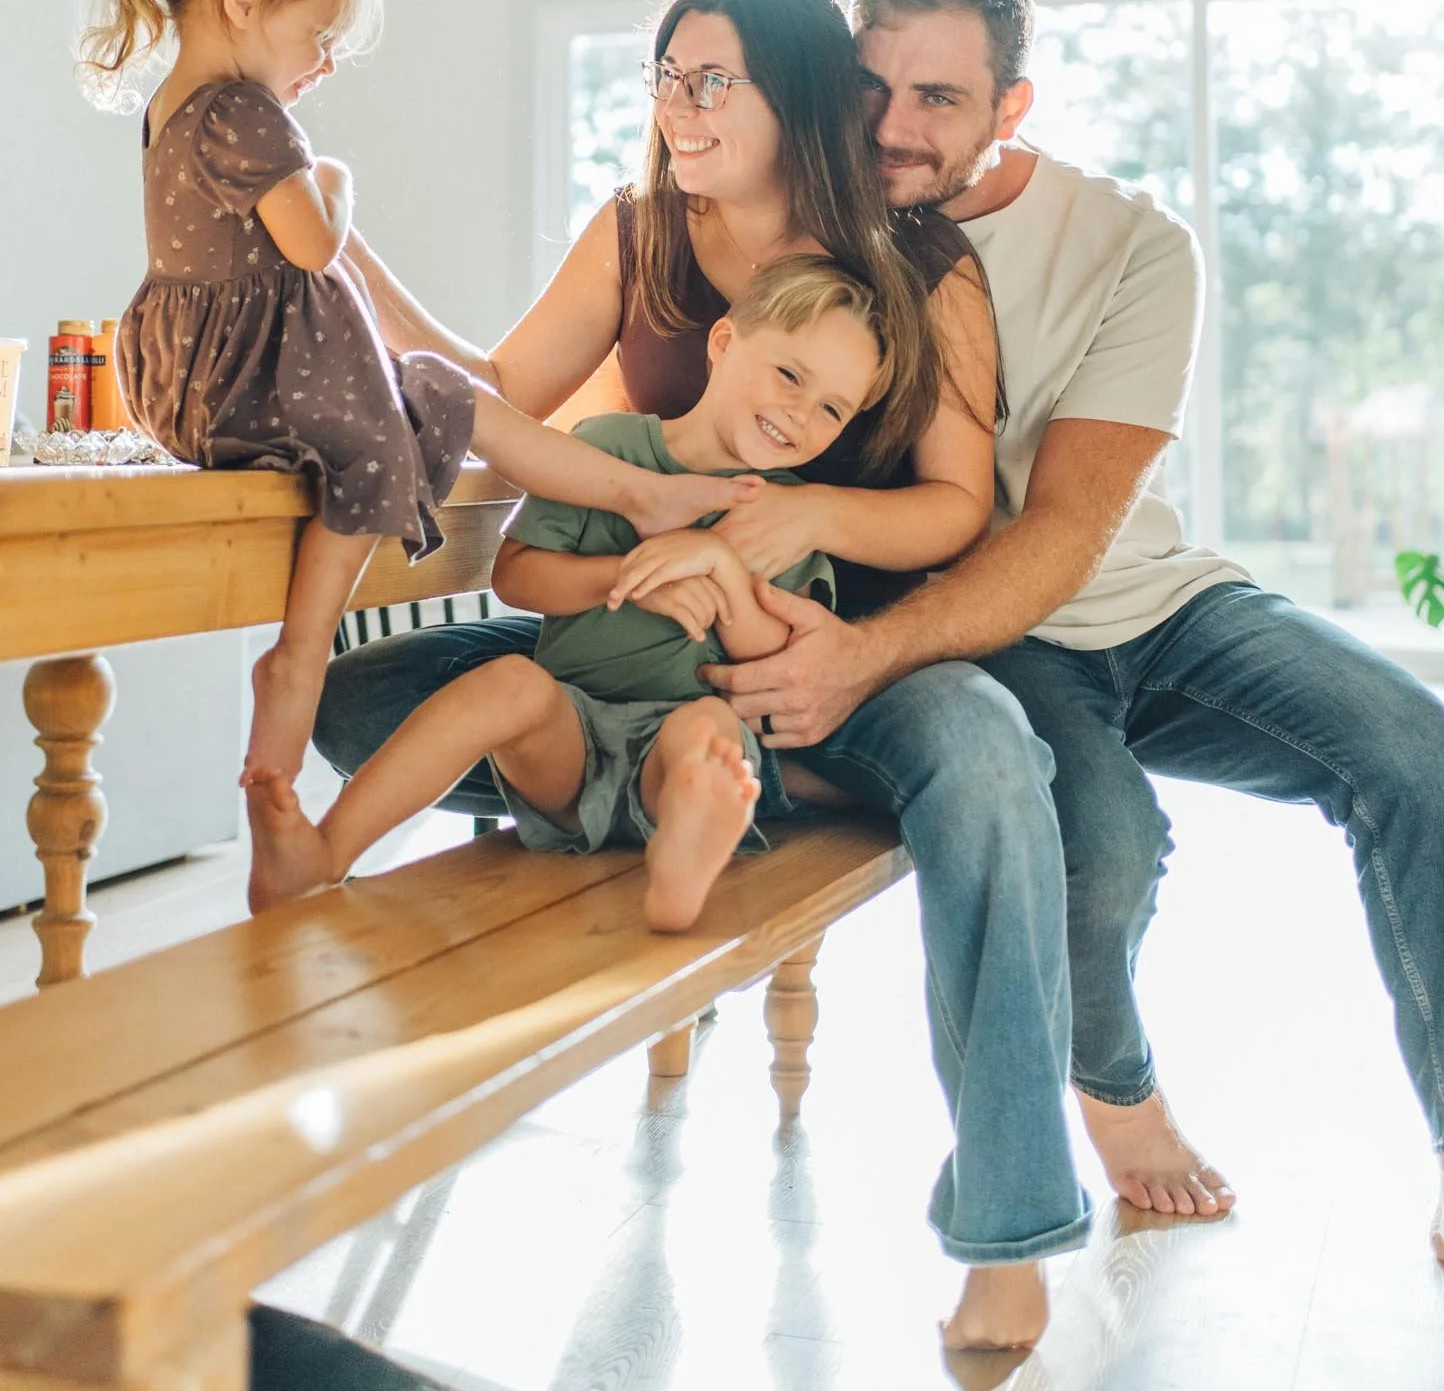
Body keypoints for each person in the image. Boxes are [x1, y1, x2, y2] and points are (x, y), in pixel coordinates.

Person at [701, 0, 1444, 1324]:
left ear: (1013, 105)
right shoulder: (823, 237)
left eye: (940, 97)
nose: (897, 126)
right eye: (875, 87)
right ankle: (1121, 1092)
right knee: (1108, 842)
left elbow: (1069, 531)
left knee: (1412, 739)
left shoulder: (1132, 244)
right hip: (995, 638)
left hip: (1146, 596)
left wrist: (865, 658)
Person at [318, 0, 1085, 1352]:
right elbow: (493, 393)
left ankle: (1013, 1221)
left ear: (792, 98)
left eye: (712, 79)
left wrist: (795, 521)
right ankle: (687, 782)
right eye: (667, 76)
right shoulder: (638, 233)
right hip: (646, 642)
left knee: (980, 749)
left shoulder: (917, 262)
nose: (680, 105)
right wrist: (341, 258)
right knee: (358, 696)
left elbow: (961, 502)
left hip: (837, 650)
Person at [79, 0, 758, 888]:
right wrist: (337, 183)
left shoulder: (174, 105)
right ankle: (304, 648)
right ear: (244, 0)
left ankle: (625, 495)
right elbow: (314, 245)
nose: (320, 66)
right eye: (317, 38)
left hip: (186, 382)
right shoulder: (245, 110)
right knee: (383, 433)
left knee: (438, 392)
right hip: (246, 379)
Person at [248, 255, 933, 932]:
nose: (801, 414)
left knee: (709, 737)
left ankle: (686, 848)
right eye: (790, 375)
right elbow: (515, 577)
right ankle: (321, 853)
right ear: (724, 344)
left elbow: (775, 659)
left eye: (832, 410)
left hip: (683, 736)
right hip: (570, 735)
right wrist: (627, 579)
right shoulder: (606, 451)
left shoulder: (786, 510)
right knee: (508, 683)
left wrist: (723, 572)